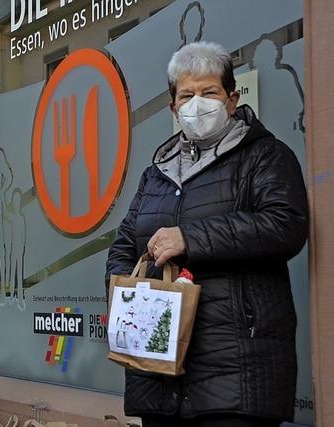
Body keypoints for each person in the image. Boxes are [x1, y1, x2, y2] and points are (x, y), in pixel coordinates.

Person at [105, 41, 308, 427]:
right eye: (187, 95)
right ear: (174, 108)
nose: (197, 103)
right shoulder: (156, 174)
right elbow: (123, 247)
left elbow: (285, 225)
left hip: (237, 371)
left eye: (209, 92)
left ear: (232, 99)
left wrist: (190, 238)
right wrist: (126, 299)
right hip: (158, 370)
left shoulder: (265, 156)